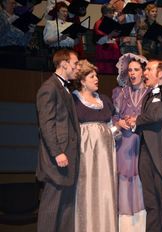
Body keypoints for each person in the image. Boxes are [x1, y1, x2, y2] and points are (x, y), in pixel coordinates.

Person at [126, 60, 162, 232]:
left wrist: (137, 120)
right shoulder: (148, 97)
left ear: (161, 74)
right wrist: (135, 125)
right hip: (146, 152)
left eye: (149, 69)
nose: (144, 73)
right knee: (151, 203)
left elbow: (158, 115)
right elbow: (148, 121)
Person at [72, 59, 119, 232]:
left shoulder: (104, 100)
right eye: (92, 76)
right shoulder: (73, 101)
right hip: (85, 155)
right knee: (87, 190)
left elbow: (110, 128)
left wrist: (117, 128)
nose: (96, 79)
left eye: (96, 76)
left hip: (105, 156)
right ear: (83, 81)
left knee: (105, 191)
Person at [36, 49, 80, 232]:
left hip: (68, 158)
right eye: (75, 63)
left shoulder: (64, 88)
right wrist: (57, 152)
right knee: (51, 209)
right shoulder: (49, 88)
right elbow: (46, 125)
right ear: (64, 64)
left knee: (66, 208)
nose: (77, 67)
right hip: (57, 160)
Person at [112, 53, 150, 231]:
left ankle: (142, 226)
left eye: (136, 69)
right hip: (125, 143)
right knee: (125, 182)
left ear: (144, 72)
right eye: (130, 70)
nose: (133, 73)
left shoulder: (151, 92)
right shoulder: (120, 93)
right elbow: (113, 116)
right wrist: (119, 122)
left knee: (143, 181)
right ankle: (125, 226)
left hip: (143, 142)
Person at [93, 3, 121, 74]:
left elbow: (114, 38)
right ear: (105, 13)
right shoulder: (99, 23)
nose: (112, 15)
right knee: (105, 75)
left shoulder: (111, 23)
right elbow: (98, 41)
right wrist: (111, 35)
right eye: (111, 13)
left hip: (113, 53)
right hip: (104, 54)